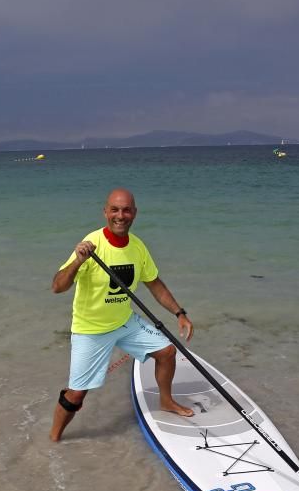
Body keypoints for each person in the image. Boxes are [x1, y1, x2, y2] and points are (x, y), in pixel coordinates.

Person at [50, 188, 194, 442]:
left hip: (124, 321)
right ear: (105, 212)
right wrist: (77, 262)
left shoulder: (137, 247)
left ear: (134, 214)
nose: (120, 215)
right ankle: (53, 441)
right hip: (90, 330)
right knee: (76, 395)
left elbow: (155, 284)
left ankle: (166, 401)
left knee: (167, 352)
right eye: (114, 209)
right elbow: (57, 287)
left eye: (126, 210)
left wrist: (179, 313)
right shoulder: (92, 244)